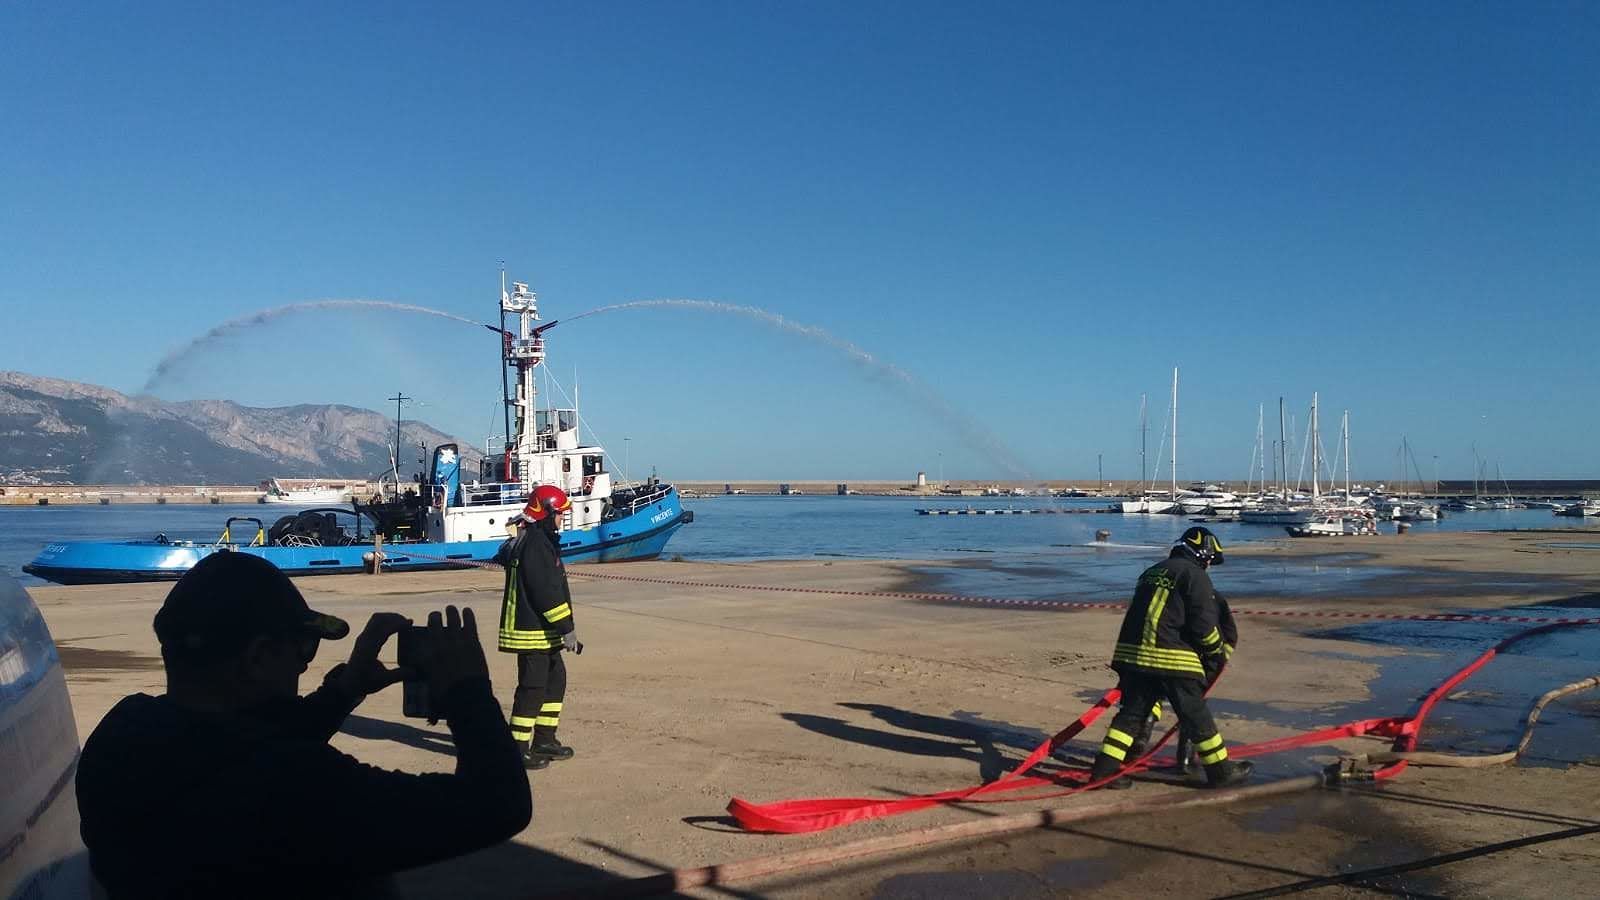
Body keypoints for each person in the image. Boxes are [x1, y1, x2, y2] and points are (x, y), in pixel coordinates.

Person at [76, 552, 532, 899]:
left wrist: (345, 689)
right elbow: (497, 804)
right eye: (302, 651)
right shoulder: (298, 785)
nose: (303, 667)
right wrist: (468, 691)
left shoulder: (123, 732)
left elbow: (240, 747)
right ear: (257, 657)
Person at [1088, 526, 1252, 790]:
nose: (1209, 566)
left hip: (1134, 656)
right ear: (1202, 554)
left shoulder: (1152, 571)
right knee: (1195, 714)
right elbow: (1203, 625)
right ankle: (1220, 770)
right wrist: (1215, 653)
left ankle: (1104, 770)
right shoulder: (1194, 576)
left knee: (1131, 715)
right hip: (1171, 657)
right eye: (1210, 560)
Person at [497, 485, 580, 770]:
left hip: (545, 631)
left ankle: (544, 739)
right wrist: (566, 628)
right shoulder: (535, 544)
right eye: (559, 515)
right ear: (546, 513)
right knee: (532, 688)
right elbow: (545, 591)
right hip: (531, 630)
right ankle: (516, 748)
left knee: (556, 679)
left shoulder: (539, 540)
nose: (562, 520)